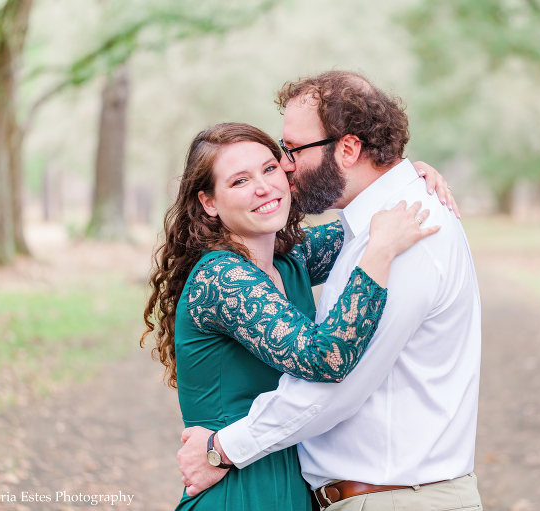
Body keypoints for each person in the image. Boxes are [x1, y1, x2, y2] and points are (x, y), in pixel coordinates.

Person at [178, 71, 482, 511]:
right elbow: (325, 358)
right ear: (209, 201)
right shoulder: (227, 276)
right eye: (239, 180)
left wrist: (411, 174)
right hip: (244, 490)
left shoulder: (380, 237)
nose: (283, 168)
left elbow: (337, 381)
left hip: (381, 496)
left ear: (348, 148)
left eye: (287, 154)